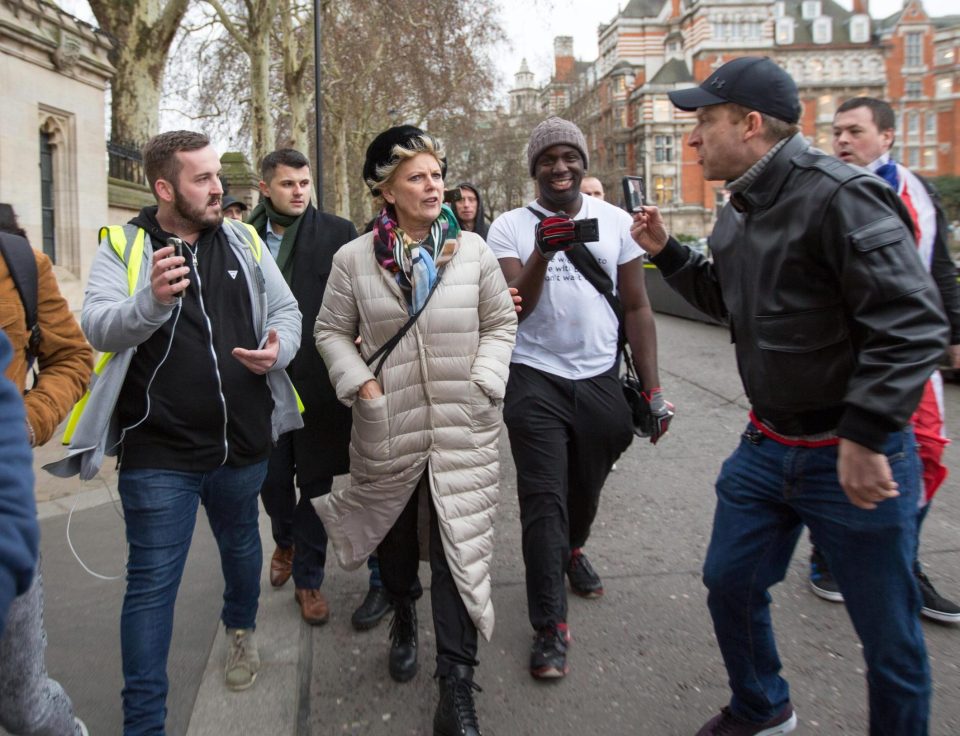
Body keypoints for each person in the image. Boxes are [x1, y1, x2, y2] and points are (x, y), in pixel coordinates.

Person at [631, 56, 948, 736]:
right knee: (730, 582)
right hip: (768, 447)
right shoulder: (739, 208)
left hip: (852, 455)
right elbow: (731, 301)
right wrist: (671, 253)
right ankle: (762, 705)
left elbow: (915, 322)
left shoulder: (841, 195)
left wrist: (866, 434)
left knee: (889, 638)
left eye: (704, 123)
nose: (692, 139)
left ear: (749, 125)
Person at [46, 130, 303, 734]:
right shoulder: (124, 245)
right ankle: (144, 723)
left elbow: (287, 312)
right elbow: (99, 327)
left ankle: (240, 630)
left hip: (242, 443)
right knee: (151, 585)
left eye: (218, 176)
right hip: (158, 451)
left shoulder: (242, 239)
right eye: (203, 179)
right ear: (164, 188)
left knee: (242, 546)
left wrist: (278, 347)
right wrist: (152, 302)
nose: (220, 189)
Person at [313, 125, 517, 736]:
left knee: (459, 553)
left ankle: (456, 686)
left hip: (465, 426)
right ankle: (403, 610)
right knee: (397, 545)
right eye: (418, 178)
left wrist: (486, 379)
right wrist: (362, 386)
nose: (434, 187)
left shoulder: (474, 252)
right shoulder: (352, 259)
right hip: (388, 425)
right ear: (387, 191)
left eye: (437, 175)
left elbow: (501, 324)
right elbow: (328, 331)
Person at [486, 116, 666, 680]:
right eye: (548, 159)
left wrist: (654, 390)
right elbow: (520, 306)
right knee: (542, 499)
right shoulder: (509, 228)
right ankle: (550, 627)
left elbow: (636, 307)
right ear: (534, 168)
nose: (560, 168)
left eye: (570, 158)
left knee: (584, 486)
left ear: (583, 164)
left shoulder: (614, 223)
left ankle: (572, 548)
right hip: (533, 377)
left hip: (599, 380)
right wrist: (543, 251)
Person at [807, 96, 960, 623]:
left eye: (854, 131)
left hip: (905, 354)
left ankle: (902, 566)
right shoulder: (818, 190)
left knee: (925, 454)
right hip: (843, 357)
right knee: (840, 456)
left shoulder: (917, 190)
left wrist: (954, 334)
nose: (843, 140)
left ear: (887, 136)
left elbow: (937, 266)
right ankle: (831, 558)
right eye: (836, 131)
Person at [247, 148, 391, 629]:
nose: (298, 192)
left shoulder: (336, 232)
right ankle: (283, 540)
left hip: (318, 382)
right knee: (269, 484)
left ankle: (309, 578)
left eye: (304, 183)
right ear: (265, 187)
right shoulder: (241, 238)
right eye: (288, 184)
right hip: (260, 386)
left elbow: (360, 295)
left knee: (314, 484)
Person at [0, 205, 93, 735]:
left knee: (25, 707)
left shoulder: (17, 262)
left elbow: (73, 358)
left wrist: (19, 424)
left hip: (4, 511)